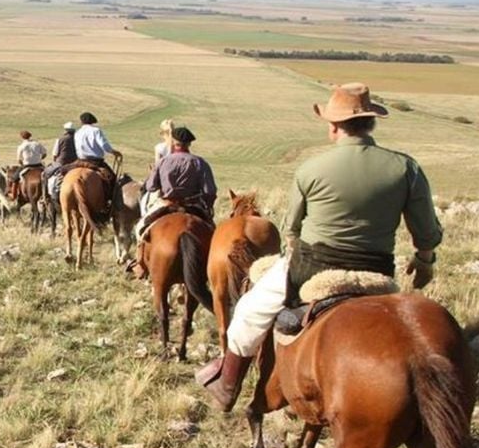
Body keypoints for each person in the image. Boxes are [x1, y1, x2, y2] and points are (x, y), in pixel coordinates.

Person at [196, 82, 444, 413]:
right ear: (371, 122)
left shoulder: (311, 169)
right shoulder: (405, 168)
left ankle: (228, 385)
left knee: (248, 312)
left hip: (313, 267)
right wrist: (424, 260)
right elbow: (426, 233)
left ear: (333, 125)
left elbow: (292, 229)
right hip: (376, 270)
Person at [138, 126, 216, 227]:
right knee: (212, 230)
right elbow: (210, 191)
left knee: (140, 228)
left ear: (174, 142)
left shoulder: (162, 162)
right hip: (192, 205)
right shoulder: (200, 163)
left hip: (167, 203)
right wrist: (208, 205)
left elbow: (151, 187)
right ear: (189, 144)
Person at [69, 112, 122, 203]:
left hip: (80, 161)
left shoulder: (77, 132)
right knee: (113, 179)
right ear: (92, 121)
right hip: (95, 162)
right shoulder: (96, 131)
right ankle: (111, 203)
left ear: (81, 122)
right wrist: (114, 152)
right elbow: (104, 145)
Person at [44, 122, 77, 200]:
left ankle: (45, 197)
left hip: (62, 162)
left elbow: (55, 153)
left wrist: (55, 161)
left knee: (44, 174)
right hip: (76, 162)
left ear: (65, 130)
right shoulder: (78, 139)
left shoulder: (60, 139)